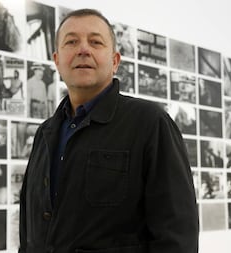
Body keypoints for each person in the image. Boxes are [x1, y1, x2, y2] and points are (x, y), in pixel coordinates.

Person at [19, 8, 198, 253]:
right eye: (71, 42)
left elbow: (177, 238)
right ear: (57, 61)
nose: (83, 49)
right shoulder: (45, 133)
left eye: (95, 41)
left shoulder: (150, 123)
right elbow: (30, 229)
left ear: (114, 61)